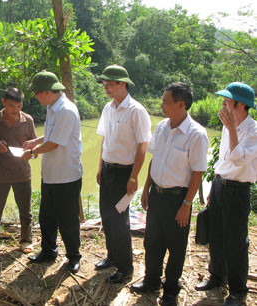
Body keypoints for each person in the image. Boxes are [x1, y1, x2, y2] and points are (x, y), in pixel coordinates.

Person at [132, 83, 208, 306]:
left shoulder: (196, 134)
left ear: (181, 105)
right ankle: (151, 281)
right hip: (157, 195)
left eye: (166, 102)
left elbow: (197, 172)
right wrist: (146, 189)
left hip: (178, 199)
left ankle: (171, 290)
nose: (162, 105)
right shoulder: (162, 127)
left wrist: (186, 203)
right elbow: (155, 160)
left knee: (175, 247)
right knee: (152, 242)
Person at [194, 82, 256, 306]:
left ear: (241, 105)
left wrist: (231, 129)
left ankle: (238, 290)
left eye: (227, 101)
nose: (222, 105)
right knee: (216, 234)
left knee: (236, 242)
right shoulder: (226, 126)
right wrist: (212, 188)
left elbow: (238, 159)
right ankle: (217, 276)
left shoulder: (254, 131)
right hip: (220, 186)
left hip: (237, 191)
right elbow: (222, 161)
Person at [22, 71, 83, 274]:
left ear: (47, 92)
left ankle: (74, 256)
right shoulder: (52, 107)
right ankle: (48, 251)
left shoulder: (66, 110)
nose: (36, 97)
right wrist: (36, 141)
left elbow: (56, 143)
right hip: (50, 174)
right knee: (47, 216)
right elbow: (50, 134)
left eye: (37, 93)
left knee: (68, 219)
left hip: (66, 175)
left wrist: (31, 152)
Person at [95, 65, 151, 283]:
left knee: (120, 220)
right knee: (107, 216)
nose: (106, 87)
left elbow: (142, 146)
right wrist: (100, 167)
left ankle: (125, 267)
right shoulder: (108, 108)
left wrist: (134, 177)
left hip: (124, 173)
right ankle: (111, 255)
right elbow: (104, 139)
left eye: (110, 83)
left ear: (123, 84)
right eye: (105, 84)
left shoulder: (137, 111)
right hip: (108, 169)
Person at [0, 87, 36, 253]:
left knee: (26, 211)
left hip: (22, 172)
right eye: (11, 106)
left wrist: (31, 153)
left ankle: (26, 241)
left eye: (18, 106)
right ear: (3, 102)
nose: (15, 110)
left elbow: (34, 145)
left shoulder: (28, 120)